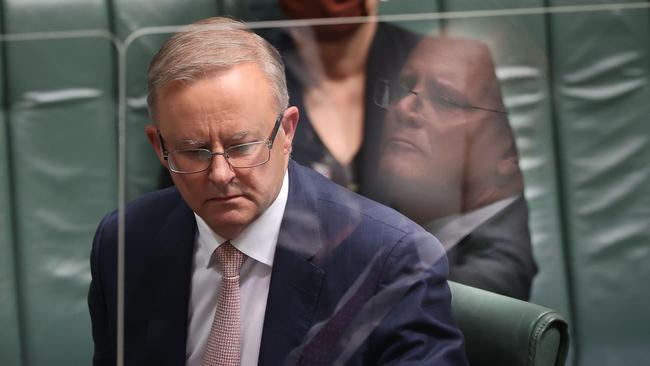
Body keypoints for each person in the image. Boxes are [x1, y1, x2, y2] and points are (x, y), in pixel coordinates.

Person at [88, 17, 468, 366]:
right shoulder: (124, 243)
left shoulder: (390, 260)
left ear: (287, 132)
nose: (221, 174)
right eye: (193, 151)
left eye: (241, 147)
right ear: (159, 147)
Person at [375, 36, 537, 300]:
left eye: (446, 100)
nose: (403, 107)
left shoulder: (494, 279)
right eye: (404, 87)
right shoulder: (376, 215)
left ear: (510, 152)